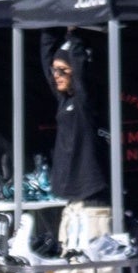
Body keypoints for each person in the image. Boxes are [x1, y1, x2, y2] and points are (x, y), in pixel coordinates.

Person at [41, 39, 109, 250]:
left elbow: (80, 73)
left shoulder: (85, 102)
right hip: (74, 201)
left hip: (93, 200)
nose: (56, 75)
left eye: (63, 70)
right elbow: (47, 67)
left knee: (96, 272)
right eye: (55, 70)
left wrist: (75, 36)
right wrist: (47, 34)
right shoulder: (65, 102)